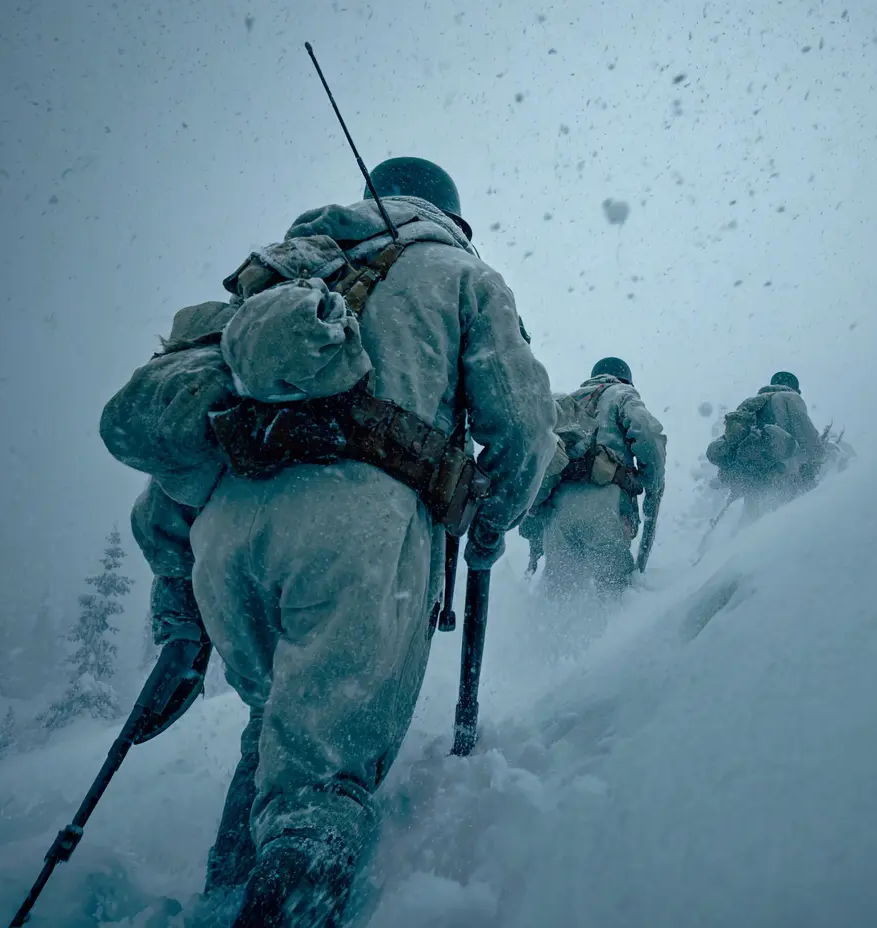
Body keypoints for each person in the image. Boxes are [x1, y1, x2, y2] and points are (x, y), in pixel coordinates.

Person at [101, 157, 557, 926]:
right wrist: (489, 530)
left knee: (274, 728)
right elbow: (524, 430)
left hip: (224, 544)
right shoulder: (461, 274)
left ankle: (222, 901)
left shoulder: (283, 277)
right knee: (319, 779)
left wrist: (180, 599)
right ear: (451, 216)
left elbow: (193, 440)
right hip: (354, 536)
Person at [525, 357, 666, 598]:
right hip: (605, 508)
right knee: (614, 598)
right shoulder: (622, 393)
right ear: (625, 378)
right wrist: (650, 481)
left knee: (560, 602)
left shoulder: (567, 403)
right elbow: (647, 434)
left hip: (557, 515)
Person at [705, 371, 825, 523]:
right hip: (784, 474)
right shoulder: (790, 397)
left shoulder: (751, 404)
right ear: (794, 388)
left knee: (753, 523)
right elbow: (808, 438)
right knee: (785, 521)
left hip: (754, 479)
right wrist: (822, 458)